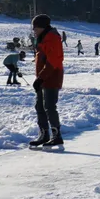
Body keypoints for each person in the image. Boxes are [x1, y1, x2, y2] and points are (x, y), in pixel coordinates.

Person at [30, 14, 65, 149]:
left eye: (35, 27)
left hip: (51, 76)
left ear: (42, 27)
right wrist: (39, 78)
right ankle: (44, 134)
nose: (34, 30)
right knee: (39, 106)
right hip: (43, 77)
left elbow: (53, 61)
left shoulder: (52, 38)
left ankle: (56, 136)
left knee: (49, 106)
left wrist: (41, 78)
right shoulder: (43, 38)